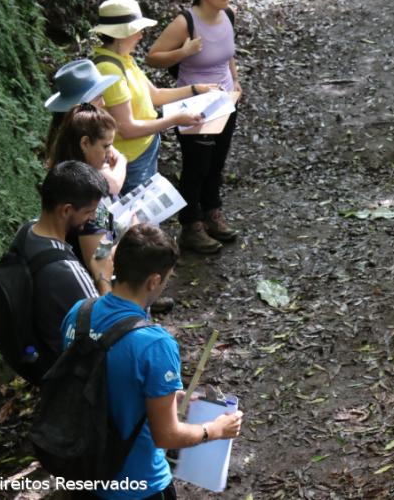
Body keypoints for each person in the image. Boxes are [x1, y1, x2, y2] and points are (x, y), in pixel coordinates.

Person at [60, 224, 244, 499]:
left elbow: (99, 380)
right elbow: (166, 436)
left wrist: (167, 396)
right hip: (138, 483)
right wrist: (214, 430)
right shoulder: (155, 344)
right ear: (154, 281)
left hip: (83, 472)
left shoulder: (78, 313)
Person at [146, 0, 243, 254]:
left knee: (217, 161)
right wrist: (183, 52)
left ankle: (213, 211)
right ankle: (191, 225)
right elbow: (153, 58)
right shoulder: (184, 23)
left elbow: (229, 54)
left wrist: (236, 83)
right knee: (196, 166)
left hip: (225, 100)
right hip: (194, 105)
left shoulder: (228, 15)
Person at [90, 0, 217, 195]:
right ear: (123, 33)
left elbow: (155, 96)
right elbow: (128, 129)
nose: (141, 35)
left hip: (145, 150)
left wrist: (195, 90)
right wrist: (174, 120)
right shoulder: (109, 69)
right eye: (137, 30)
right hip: (131, 160)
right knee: (137, 220)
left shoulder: (124, 59)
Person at [28, 161, 112, 377]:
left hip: (40, 341)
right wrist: (102, 275)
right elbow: (110, 325)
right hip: (70, 368)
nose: (93, 218)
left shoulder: (28, 231)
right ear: (66, 210)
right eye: (89, 211)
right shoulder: (67, 270)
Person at [48, 103, 124, 267]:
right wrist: (131, 236)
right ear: (85, 143)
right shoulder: (85, 193)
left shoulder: (65, 172)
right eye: (106, 146)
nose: (110, 153)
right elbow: (99, 259)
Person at [44, 59, 122, 161]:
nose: (103, 103)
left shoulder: (66, 130)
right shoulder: (76, 139)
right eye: (97, 97)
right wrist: (121, 161)